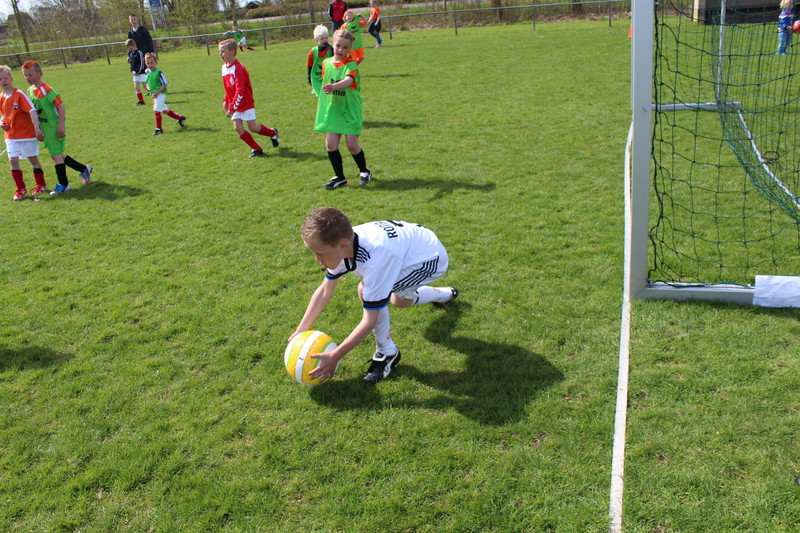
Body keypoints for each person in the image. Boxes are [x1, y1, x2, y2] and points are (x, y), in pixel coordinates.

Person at [291, 207, 458, 384]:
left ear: (343, 245)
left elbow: (369, 320)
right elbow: (325, 290)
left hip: (429, 260)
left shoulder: (375, 259)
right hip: (412, 247)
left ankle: (387, 352)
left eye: (320, 253)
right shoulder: (343, 244)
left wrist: (336, 355)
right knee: (399, 300)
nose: (317, 259)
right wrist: (301, 330)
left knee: (368, 291)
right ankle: (444, 294)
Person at [22, 60, 92, 195]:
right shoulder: (30, 90)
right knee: (58, 154)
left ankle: (64, 184)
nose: (28, 78)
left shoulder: (47, 89)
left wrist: (60, 126)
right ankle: (84, 169)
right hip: (45, 128)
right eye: (25, 75)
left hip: (54, 127)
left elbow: (61, 107)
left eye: (30, 75)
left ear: (40, 74)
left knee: (55, 156)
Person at [316, 29, 370, 189]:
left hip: (350, 110)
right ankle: (340, 177)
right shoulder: (326, 63)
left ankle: (364, 171)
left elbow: (348, 80)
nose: (340, 49)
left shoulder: (351, 65)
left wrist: (334, 86)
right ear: (332, 44)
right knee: (331, 145)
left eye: (345, 47)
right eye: (338, 45)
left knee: (352, 145)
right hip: (334, 111)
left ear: (350, 49)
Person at [219, 38, 280, 158]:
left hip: (245, 101)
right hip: (235, 103)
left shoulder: (238, 67)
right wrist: (226, 100)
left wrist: (232, 108)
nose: (220, 54)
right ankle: (257, 149)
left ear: (232, 51)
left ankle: (272, 132)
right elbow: (229, 87)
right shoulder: (224, 67)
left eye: (222, 51)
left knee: (253, 128)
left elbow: (240, 90)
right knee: (237, 127)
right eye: (220, 52)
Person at [0, 65, 47, 201]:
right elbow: (3, 115)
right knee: (13, 160)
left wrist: (37, 129)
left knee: (33, 159)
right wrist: (1, 122)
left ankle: (41, 185)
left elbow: (32, 111)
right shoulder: (1, 97)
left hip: (27, 134)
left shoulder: (19, 95)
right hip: (11, 136)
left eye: (5, 78)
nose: (3, 81)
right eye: (0, 79)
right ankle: (20, 189)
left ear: (11, 78)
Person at [144, 53, 187, 136]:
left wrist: (157, 92)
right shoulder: (147, 72)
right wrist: (148, 87)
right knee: (164, 110)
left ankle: (159, 129)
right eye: (148, 63)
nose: (150, 65)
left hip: (160, 94)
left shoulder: (159, 73)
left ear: (156, 62)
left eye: (152, 63)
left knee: (156, 110)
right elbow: (147, 82)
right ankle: (181, 118)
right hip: (155, 95)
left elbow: (165, 84)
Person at [307, 25, 333, 97]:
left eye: (326, 38)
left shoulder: (331, 49)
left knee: (328, 96)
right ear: (316, 40)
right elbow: (309, 65)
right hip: (317, 78)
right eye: (322, 38)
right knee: (320, 96)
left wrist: (332, 51)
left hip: (328, 77)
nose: (325, 40)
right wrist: (309, 78)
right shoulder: (313, 51)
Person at [126, 39, 147, 106]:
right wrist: (132, 69)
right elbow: (133, 64)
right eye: (129, 48)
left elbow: (142, 63)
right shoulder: (131, 54)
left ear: (134, 45)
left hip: (141, 73)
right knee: (136, 87)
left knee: (146, 87)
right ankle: (141, 101)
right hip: (135, 74)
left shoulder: (139, 52)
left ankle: (157, 94)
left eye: (131, 48)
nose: (130, 50)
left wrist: (138, 71)